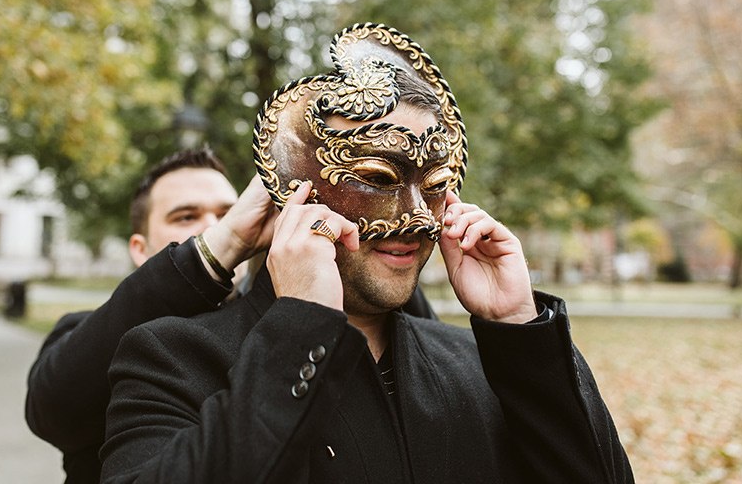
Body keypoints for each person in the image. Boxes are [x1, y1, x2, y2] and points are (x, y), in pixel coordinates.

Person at [99, 23, 634, 483]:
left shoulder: (479, 366)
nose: (416, 217)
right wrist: (300, 330)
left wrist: (520, 332)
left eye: (433, 185)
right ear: (295, 191)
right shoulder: (172, 360)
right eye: (376, 179)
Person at [25, 146, 436, 483]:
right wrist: (225, 240)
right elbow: (53, 412)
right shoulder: (94, 333)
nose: (213, 225)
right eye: (186, 217)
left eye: (227, 211)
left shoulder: (283, 320)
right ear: (139, 248)